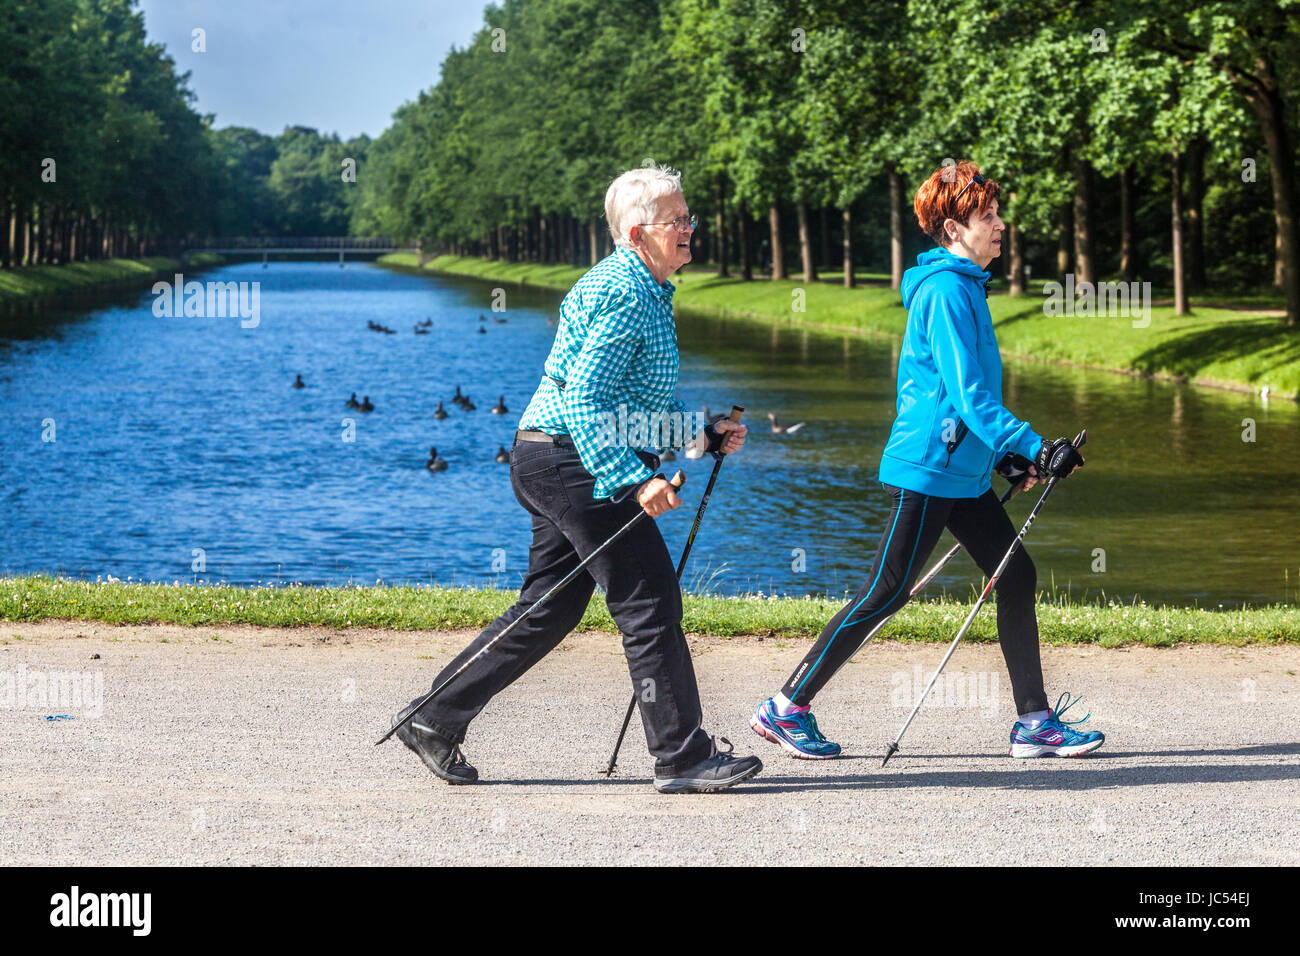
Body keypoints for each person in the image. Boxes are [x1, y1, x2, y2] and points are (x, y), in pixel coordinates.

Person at [391, 164, 761, 793]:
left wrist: (698, 435)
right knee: (648, 600)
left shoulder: (640, 287)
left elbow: (621, 405)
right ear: (640, 232)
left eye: (688, 218)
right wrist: (631, 480)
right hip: (575, 463)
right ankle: (682, 757)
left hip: (548, 456)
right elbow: (588, 401)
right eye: (678, 220)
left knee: (549, 608)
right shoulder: (625, 292)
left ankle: (433, 719)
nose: (690, 228)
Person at [750, 160, 1104, 761]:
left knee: (1015, 574)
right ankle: (786, 707)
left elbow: (960, 401)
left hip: (961, 474)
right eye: (985, 216)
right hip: (927, 471)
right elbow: (969, 397)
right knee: (887, 591)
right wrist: (1035, 446)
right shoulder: (945, 292)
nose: (999, 225)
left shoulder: (965, 287)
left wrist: (1007, 462)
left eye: (996, 213)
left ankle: (1034, 723)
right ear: (951, 229)